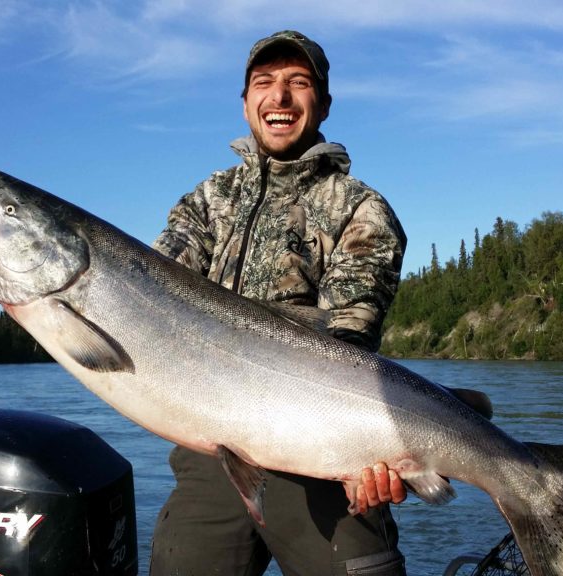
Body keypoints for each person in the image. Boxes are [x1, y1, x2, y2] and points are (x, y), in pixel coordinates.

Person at [150, 30, 409, 576]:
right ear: (246, 102)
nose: (280, 97)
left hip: (324, 462)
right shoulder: (207, 201)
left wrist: (363, 451)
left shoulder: (362, 208)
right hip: (210, 455)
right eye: (264, 83)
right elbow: (151, 294)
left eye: (299, 83)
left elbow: (347, 339)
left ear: (324, 104)